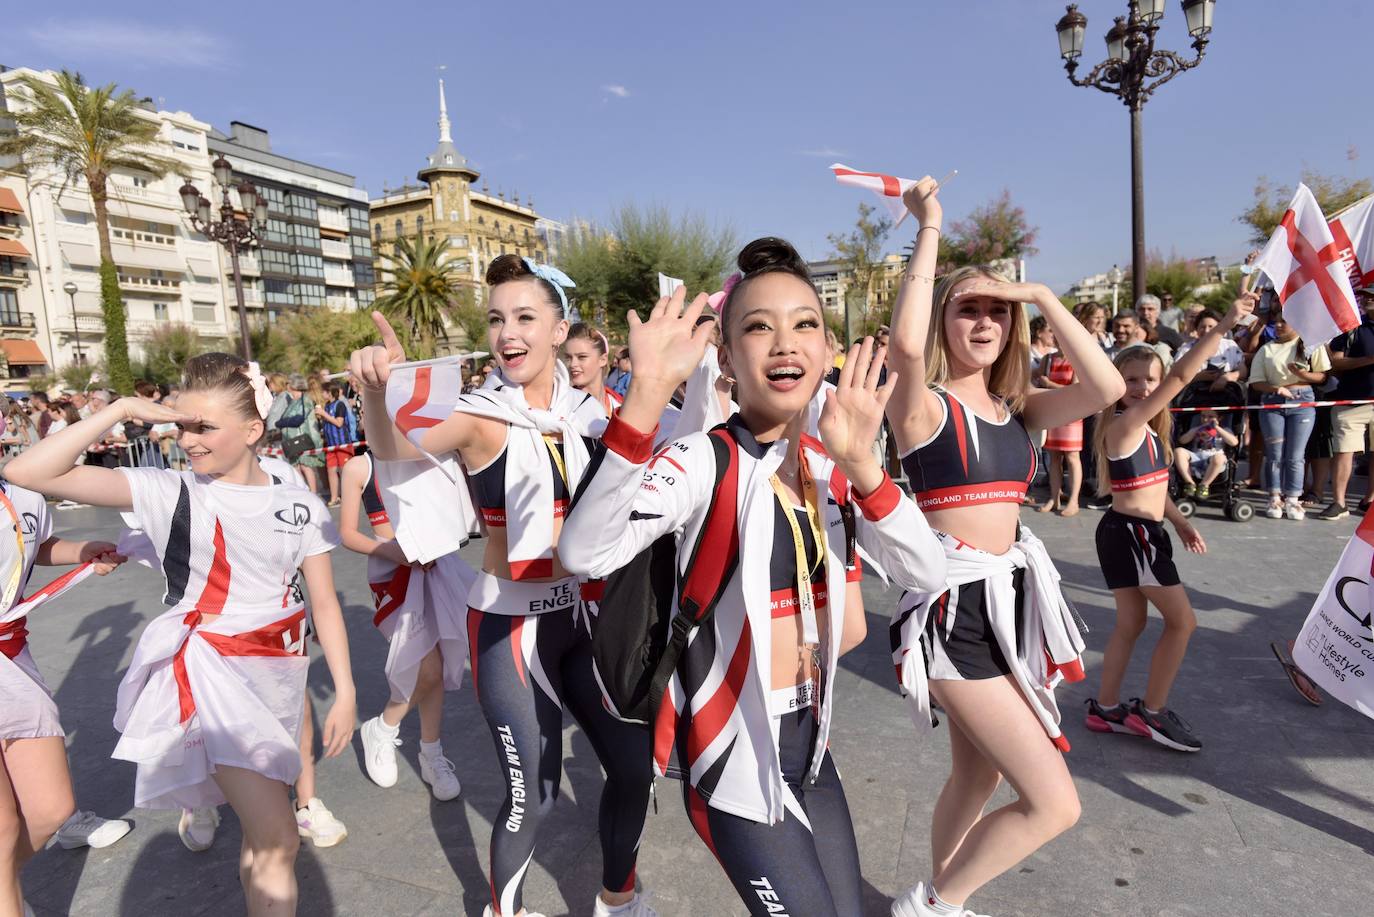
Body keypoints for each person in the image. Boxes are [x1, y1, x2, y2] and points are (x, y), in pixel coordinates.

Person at [560, 240, 944, 917]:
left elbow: (927, 570)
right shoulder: (700, 460)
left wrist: (864, 466)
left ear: (827, 349)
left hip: (813, 750)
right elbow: (585, 552)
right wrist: (645, 396)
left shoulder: (832, 463)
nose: (785, 342)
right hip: (732, 763)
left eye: (804, 323)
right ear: (728, 359)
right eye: (759, 326)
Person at [350, 255, 656, 917]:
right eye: (495, 319)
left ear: (559, 330)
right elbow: (395, 448)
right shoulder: (479, 416)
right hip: (509, 629)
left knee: (635, 768)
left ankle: (618, 898)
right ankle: (503, 911)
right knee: (532, 797)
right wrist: (377, 391)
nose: (507, 333)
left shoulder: (590, 414)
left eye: (524, 317)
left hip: (582, 620)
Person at [4, 354, 357, 916]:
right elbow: (29, 473)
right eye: (182, 426)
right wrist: (120, 409)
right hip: (214, 677)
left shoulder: (300, 501)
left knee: (260, 839)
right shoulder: (170, 490)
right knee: (279, 838)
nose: (188, 440)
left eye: (204, 427)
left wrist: (345, 689)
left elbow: (324, 603)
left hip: (283, 677)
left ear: (252, 430)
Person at [884, 178, 1121, 917]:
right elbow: (903, 347)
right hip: (951, 613)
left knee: (976, 777)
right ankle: (933, 903)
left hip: (1007, 608)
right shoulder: (922, 406)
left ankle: (940, 896)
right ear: (944, 320)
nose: (984, 320)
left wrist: (1042, 296)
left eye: (997, 309)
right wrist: (929, 227)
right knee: (1054, 802)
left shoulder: (1019, 409)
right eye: (968, 308)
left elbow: (1107, 385)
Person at [1085, 292, 1256, 755]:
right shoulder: (1124, 424)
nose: (1142, 387)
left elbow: (1153, 487)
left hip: (1132, 531)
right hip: (1134, 535)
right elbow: (1182, 375)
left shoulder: (1147, 431)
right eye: (1131, 379)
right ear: (1116, 383)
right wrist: (1226, 323)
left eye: (1150, 379)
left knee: (1131, 624)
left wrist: (1179, 521)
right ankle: (1153, 712)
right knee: (1183, 623)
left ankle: (1105, 708)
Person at [0, 478, 129, 914]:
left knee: (51, 809)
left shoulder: (23, 496)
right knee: (2, 827)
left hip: (12, 656)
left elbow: (34, 544)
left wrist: (83, 551)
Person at [340, 450, 466, 803]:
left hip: (437, 566)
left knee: (437, 663)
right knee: (427, 667)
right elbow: (347, 533)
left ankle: (431, 753)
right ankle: (383, 727)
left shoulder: (428, 455)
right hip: (392, 574)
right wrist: (393, 552)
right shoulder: (359, 466)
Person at [1248, 308, 1328, 520]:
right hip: (1273, 402)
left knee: (1296, 455)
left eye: (1284, 321)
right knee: (1275, 454)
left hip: (1302, 401)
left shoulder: (1310, 345)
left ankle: (1293, 498)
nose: (1279, 325)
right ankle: (1274, 497)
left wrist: (1302, 374)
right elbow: (1256, 382)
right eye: (1276, 321)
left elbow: (1322, 376)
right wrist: (1276, 389)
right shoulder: (1267, 349)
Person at [1319, 286, 1374, 520]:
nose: (1367, 299)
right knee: (1343, 452)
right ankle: (1339, 503)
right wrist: (1369, 360)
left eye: (1372, 296)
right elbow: (1335, 362)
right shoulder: (1351, 327)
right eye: (1365, 296)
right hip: (1350, 402)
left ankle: (1369, 501)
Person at [1033, 349, 1083, 516]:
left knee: (1072, 456)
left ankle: (1074, 501)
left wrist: (1049, 384)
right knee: (1054, 457)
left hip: (1072, 413)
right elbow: (1037, 379)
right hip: (1053, 411)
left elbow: (1076, 389)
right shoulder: (1048, 359)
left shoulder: (1076, 358)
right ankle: (1054, 498)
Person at [274, 374, 323, 496]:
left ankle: (313, 493)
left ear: (294, 385)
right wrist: (283, 422)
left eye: (289, 384)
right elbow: (281, 421)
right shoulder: (292, 402)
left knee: (306, 466)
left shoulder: (306, 399)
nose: (287, 386)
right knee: (296, 468)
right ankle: (303, 493)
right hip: (292, 441)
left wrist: (283, 422)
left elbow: (298, 420)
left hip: (304, 439)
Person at [1176, 310, 1245, 392]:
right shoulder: (1186, 349)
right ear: (1196, 329)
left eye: (1211, 327)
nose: (1206, 330)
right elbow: (1176, 377)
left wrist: (1227, 377)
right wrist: (1198, 377)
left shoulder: (1229, 346)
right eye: (1202, 327)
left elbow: (1242, 371)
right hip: (1195, 395)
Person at [1173, 410, 1237, 499]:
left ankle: (1204, 485)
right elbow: (1182, 441)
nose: (1206, 419)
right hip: (1196, 457)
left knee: (1219, 458)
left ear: (1219, 418)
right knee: (1178, 451)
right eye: (1203, 416)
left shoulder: (1225, 429)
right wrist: (1197, 429)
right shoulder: (1196, 429)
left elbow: (1234, 442)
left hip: (1213, 459)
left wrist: (1217, 428)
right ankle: (1190, 483)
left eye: (1210, 417)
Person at [315, 384, 358, 507]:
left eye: (323, 392)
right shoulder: (327, 405)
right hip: (331, 444)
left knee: (345, 471)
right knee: (331, 470)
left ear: (329, 392)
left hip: (342, 443)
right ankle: (334, 498)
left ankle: (349, 496)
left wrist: (324, 414)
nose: (322, 394)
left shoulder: (340, 404)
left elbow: (339, 423)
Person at [564, 322, 621, 415]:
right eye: (568, 358)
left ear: (603, 360)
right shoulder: (561, 406)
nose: (573, 364)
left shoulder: (619, 405)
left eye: (582, 357)